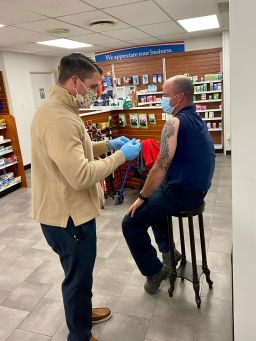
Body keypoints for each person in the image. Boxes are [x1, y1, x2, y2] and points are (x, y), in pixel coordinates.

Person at [31, 52, 140, 341]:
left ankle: (82, 311)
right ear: (75, 82)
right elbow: (79, 174)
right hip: (68, 218)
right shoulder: (59, 118)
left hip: (67, 213)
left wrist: (106, 144)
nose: (97, 92)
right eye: (94, 86)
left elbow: (73, 151)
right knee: (77, 279)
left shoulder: (61, 109)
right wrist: (119, 156)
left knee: (80, 274)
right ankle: (79, 335)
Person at [122, 75, 215, 295]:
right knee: (156, 203)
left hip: (183, 193)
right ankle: (169, 252)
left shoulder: (174, 122)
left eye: (164, 95)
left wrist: (142, 196)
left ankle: (154, 271)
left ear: (179, 96)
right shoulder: (197, 119)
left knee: (131, 222)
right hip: (197, 190)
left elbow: (160, 166)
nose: (161, 99)